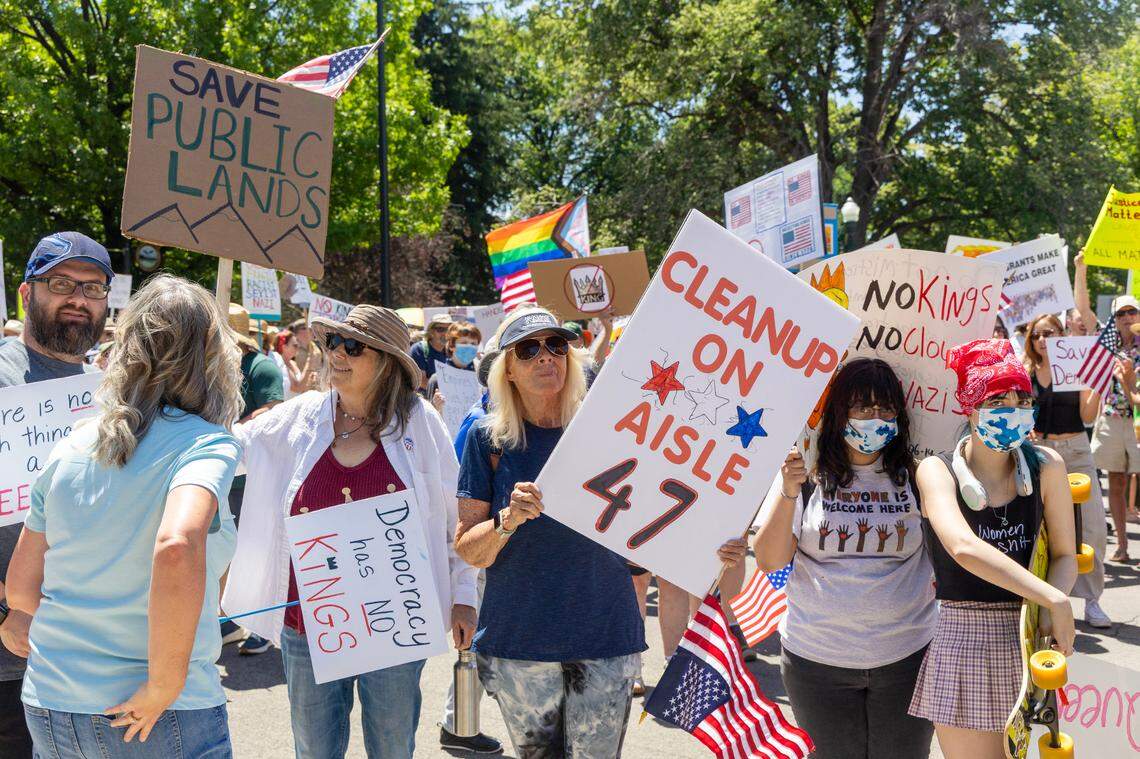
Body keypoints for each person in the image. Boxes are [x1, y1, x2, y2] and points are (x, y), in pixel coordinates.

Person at [453, 306, 748, 756]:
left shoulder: (612, 427)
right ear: (507, 370)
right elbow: (470, 549)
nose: (545, 356)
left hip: (604, 634)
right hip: (520, 639)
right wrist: (507, 520)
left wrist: (715, 539)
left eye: (556, 345)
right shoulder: (487, 440)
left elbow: (669, 502)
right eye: (528, 349)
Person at [221, 304, 477, 759]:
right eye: (332, 342)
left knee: (392, 748)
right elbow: (231, 448)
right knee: (314, 750)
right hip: (310, 625)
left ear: (387, 362)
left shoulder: (420, 422)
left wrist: (464, 596)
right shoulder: (301, 415)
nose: (337, 353)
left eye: (353, 347)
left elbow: (453, 517)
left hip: (396, 625)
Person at [6, 275, 242, 758]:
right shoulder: (205, 445)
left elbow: (22, 592)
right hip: (156, 711)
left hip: (52, 702)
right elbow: (177, 544)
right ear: (213, 357)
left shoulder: (71, 444)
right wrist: (164, 684)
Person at [752, 358, 937, 759]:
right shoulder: (805, 474)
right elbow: (769, 559)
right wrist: (787, 491)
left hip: (908, 660)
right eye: (862, 408)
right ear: (839, 413)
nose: (875, 418)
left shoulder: (919, 477)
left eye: (885, 408)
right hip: (816, 663)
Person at [908, 339, 1076, 758]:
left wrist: (1048, 611)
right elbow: (962, 547)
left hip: (1029, 634)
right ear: (970, 407)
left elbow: (1064, 555)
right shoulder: (936, 470)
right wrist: (1053, 598)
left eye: (1022, 400)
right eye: (997, 400)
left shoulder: (1047, 465)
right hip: (963, 636)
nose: (1012, 409)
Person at [0, 232, 112, 757]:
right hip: (10, 653)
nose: (79, 299)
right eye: (61, 284)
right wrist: (6, 610)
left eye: (93, 287)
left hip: (87, 654)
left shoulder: (109, 392)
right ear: (27, 294)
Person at [1022, 313, 1109, 627]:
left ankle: (1092, 600)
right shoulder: (1026, 371)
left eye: (1050, 333)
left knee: (1091, 526)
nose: (1043, 340)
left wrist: (1096, 385)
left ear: (1061, 335)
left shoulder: (1075, 368)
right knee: (1041, 528)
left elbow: (1087, 415)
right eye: (1037, 335)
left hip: (1076, 452)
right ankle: (1045, 600)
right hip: (1040, 454)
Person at [221, 304, 284, 656]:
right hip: (224, 475)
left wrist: (235, 429)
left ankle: (262, 624)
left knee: (257, 552)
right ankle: (230, 620)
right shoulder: (217, 364)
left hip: (252, 478)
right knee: (225, 552)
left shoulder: (261, 367)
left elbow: (274, 411)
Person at [1087, 295, 1140, 562]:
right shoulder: (1106, 344)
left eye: (1132, 311)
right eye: (1121, 313)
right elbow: (1084, 311)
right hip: (1111, 419)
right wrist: (1081, 272)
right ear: (1114, 319)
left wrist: (1130, 380)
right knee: (1116, 483)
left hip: (1137, 421)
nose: (1127, 317)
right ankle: (1122, 545)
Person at [428, 322, 482, 416]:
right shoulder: (437, 379)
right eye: (464, 343)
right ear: (451, 346)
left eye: (473, 343)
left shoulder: (482, 378)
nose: (469, 347)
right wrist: (435, 406)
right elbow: (429, 417)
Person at [411, 313, 453, 390]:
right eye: (440, 329)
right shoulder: (419, 349)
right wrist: (447, 391)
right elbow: (421, 381)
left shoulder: (451, 351)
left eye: (449, 329)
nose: (445, 333)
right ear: (431, 332)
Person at [289, 318, 326, 392]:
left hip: (317, 391)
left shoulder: (318, 348)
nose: (311, 330)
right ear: (296, 332)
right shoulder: (291, 348)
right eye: (305, 328)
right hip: (299, 392)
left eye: (311, 328)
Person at [271, 330, 307, 401]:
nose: (298, 347)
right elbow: (295, 387)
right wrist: (310, 363)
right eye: (295, 345)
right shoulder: (278, 364)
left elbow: (302, 388)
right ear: (284, 347)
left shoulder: (293, 363)